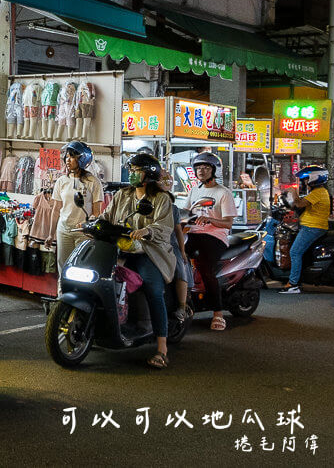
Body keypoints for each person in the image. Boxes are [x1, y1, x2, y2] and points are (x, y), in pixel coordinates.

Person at [97, 152, 175, 369]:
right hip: (120, 251)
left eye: (135, 171)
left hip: (149, 253)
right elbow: (107, 216)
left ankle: (162, 349)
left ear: (148, 174)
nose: (131, 174)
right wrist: (95, 225)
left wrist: (147, 230)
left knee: (153, 291)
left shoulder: (161, 199)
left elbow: (165, 226)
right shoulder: (123, 195)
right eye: (130, 170)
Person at [183, 152, 237, 330]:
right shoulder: (195, 190)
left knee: (205, 267)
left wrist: (210, 220)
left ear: (214, 170)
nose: (201, 171)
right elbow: (184, 213)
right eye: (198, 168)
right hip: (193, 233)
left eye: (206, 168)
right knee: (175, 258)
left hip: (215, 236)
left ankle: (218, 314)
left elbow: (228, 223)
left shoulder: (223, 193)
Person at [280, 165, 331, 294]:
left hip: (312, 228)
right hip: (311, 227)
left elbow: (299, 203)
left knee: (295, 252)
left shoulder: (318, 193)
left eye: (306, 179)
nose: (304, 182)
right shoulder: (317, 192)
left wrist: (293, 192)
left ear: (315, 179)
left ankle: (293, 284)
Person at [53, 141, 103, 269]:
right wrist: (50, 233)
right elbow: (56, 209)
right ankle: (62, 290)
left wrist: (88, 225)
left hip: (83, 232)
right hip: (64, 230)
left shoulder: (93, 182)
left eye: (72, 156)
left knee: (82, 267)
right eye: (67, 156)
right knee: (63, 266)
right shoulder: (61, 181)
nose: (67, 160)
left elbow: (97, 212)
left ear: (82, 159)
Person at [159, 171, 192, 323]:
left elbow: (178, 231)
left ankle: (182, 306)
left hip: (169, 245)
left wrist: (182, 252)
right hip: (149, 244)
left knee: (180, 267)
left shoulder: (171, 208)